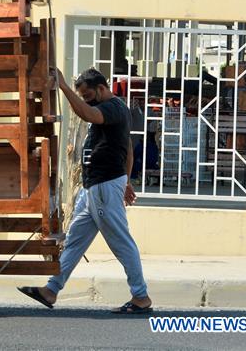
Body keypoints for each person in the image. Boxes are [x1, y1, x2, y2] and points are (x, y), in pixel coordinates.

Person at [18, 68, 153, 314]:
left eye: (89, 94)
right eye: (83, 95)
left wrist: (65, 88)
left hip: (104, 187)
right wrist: (127, 182)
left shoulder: (111, 107)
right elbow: (128, 150)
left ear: (101, 88)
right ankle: (51, 290)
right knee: (74, 242)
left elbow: (88, 114)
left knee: (122, 243)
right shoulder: (112, 111)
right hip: (95, 188)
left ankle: (140, 296)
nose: (87, 99)